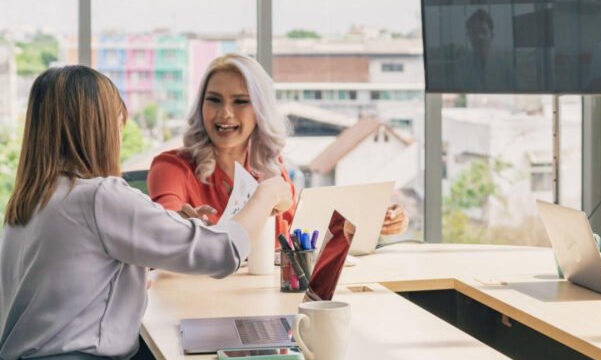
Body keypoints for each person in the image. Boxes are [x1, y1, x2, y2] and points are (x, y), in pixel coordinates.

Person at [0, 66, 293, 360]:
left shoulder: (27, 206)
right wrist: (267, 194)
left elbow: (74, 284)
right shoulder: (98, 197)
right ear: (99, 129)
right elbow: (222, 254)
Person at [147, 54, 408, 242]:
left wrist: (374, 222)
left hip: (266, 300)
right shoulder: (171, 168)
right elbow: (163, 231)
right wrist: (177, 226)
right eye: (214, 100)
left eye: (240, 102)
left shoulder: (269, 168)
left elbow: (303, 237)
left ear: (260, 110)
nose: (224, 113)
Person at [451, 8, 515, 91]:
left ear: (492, 35)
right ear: (469, 36)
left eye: (483, 31)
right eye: (474, 32)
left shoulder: (505, 68)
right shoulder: (460, 67)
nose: (479, 37)